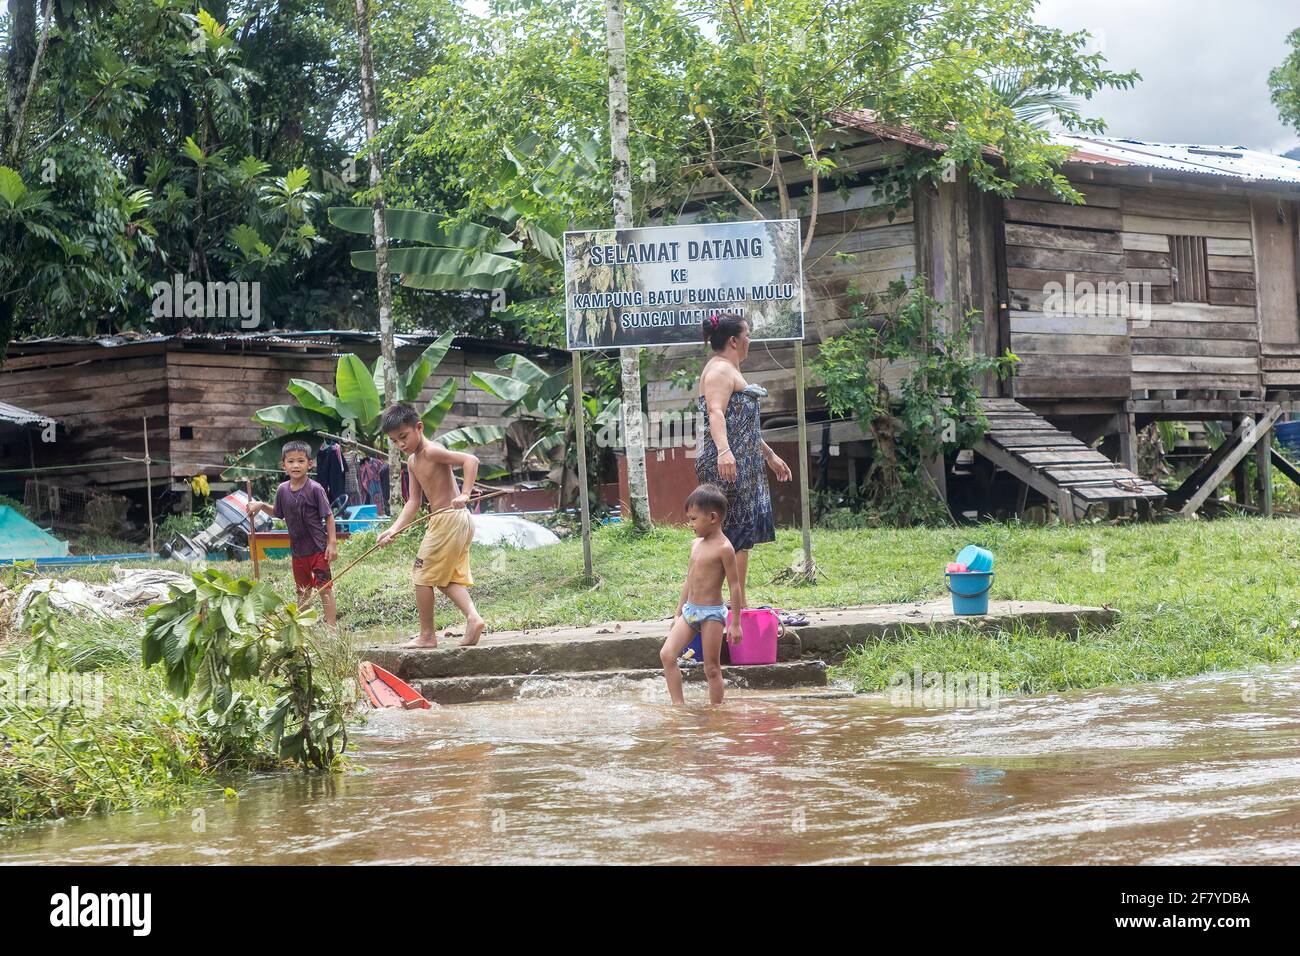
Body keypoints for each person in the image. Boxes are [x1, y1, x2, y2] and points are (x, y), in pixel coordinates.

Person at [695, 310, 792, 595]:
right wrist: (724, 451)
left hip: (740, 463)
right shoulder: (719, 370)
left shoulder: (729, 369)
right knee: (734, 534)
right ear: (734, 340)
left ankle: (727, 605)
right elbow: (715, 412)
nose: (750, 340)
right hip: (726, 464)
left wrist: (769, 455)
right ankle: (733, 608)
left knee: (736, 534)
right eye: (747, 334)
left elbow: (742, 425)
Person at [375, 402, 486, 648]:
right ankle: (473, 618)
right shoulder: (413, 462)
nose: (400, 445)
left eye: (403, 437)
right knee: (443, 577)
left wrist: (465, 493)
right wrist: (393, 529)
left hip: (450, 518)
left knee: (422, 575)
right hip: (445, 521)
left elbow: (471, 460)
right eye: (394, 441)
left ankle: (427, 635)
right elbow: (414, 501)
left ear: (419, 427)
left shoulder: (432, 451)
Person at [659, 484, 745, 705]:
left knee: (712, 668)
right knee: (667, 655)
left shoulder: (724, 548)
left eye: (694, 519)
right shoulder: (695, 544)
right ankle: (678, 706)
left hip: (712, 615)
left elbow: (735, 586)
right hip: (690, 611)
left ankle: (717, 713)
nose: (690, 524)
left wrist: (735, 623)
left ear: (713, 517)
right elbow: (689, 579)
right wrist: (678, 612)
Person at [246, 440, 338, 627]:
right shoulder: (282, 490)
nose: (296, 465)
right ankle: (304, 627)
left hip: (318, 548)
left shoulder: (315, 489)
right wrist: (261, 506)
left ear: (309, 464)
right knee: (303, 591)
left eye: (301, 461)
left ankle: (332, 628)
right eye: (291, 461)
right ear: (284, 465)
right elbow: (278, 513)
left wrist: (332, 543)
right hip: (298, 551)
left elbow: (328, 516)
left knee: (324, 588)